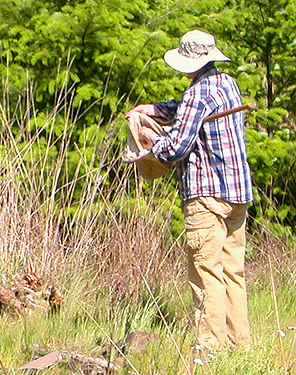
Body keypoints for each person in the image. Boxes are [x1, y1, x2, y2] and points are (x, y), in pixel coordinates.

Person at [125, 30, 253, 355]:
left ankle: (209, 349)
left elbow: (175, 148)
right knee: (233, 273)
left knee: (206, 274)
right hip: (237, 192)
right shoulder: (226, 83)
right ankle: (240, 347)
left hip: (206, 195)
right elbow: (184, 109)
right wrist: (153, 109)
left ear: (188, 62)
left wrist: (150, 142)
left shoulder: (197, 94)